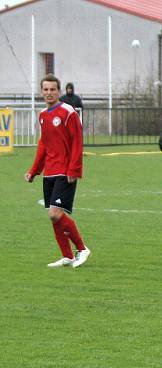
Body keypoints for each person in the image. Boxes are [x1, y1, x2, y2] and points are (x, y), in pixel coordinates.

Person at [24, 74, 91, 268]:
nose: (49, 93)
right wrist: (34, 170)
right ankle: (67, 256)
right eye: (45, 89)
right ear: (41, 91)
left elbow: (77, 141)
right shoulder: (43, 116)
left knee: (55, 214)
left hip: (65, 171)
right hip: (50, 172)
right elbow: (44, 145)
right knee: (53, 216)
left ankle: (82, 249)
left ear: (59, 91)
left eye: (53, 89)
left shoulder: (68, 112)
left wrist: (74, 169)